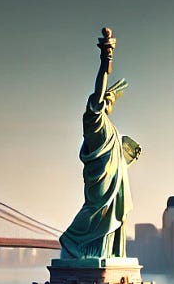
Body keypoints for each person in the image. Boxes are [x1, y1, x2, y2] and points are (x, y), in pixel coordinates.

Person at [59, 27, 142, 260]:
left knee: (110, 218)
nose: (107, 101)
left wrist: (126, 159)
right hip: (100, 184)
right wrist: (106, 58)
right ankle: (71, 240)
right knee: (95, 212)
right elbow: (99, 91)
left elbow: (113, 160)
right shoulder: (93, 120)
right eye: (106, 98)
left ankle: (104, 253)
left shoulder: (112, 129)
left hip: (110, 181)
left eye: (110, 99)